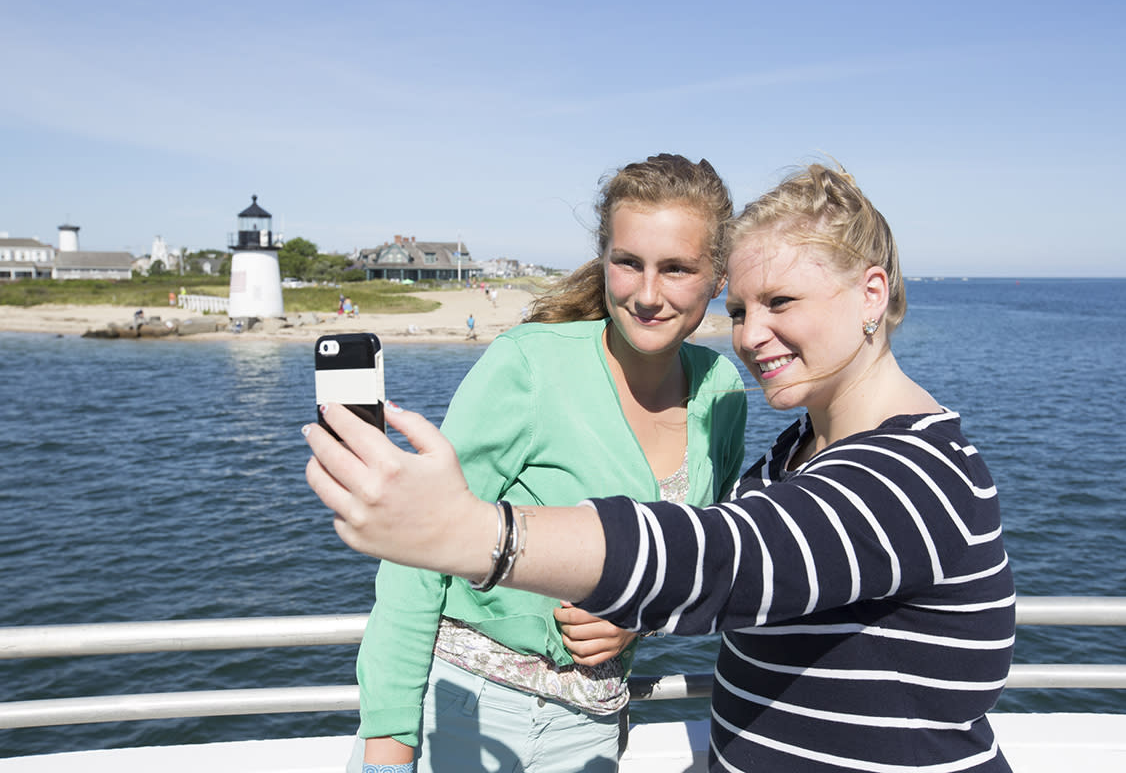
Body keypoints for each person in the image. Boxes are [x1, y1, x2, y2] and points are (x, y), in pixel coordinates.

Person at [306, 161, 1016, 772]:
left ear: (872, 293)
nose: (752, 335)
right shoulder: (790, 456)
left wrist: (473, 535)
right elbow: (739, 576)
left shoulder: (916, 474)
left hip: (590, 716)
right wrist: (389, 737)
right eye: (742, 310)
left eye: (781, 302)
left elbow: (721, 556)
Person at [341, 153, 748, 773]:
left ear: (718, 278)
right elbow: (414, 555)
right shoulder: (530, 365)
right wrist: (389, 746)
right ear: (603, 258)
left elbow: (697, 553)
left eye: (676, 269)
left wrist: (638, 617)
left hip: (594, 725)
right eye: (628, 262)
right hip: (463, 712)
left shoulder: (721, 389)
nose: (646, 293)